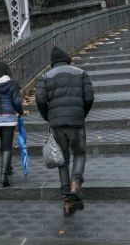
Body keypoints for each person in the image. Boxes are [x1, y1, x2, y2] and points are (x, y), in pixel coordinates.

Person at [35, 46, 94, 216]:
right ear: (67, 59)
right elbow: (89, 96)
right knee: (80, 154)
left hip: (57, 124)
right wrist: (81, 113)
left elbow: (40, 99)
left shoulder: (45, 77)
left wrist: (48, 117)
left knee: (62, 160)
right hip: (76, 121)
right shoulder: (81, 73)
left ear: (53, 63)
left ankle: (67, 202)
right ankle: (75, 184)